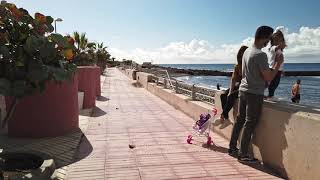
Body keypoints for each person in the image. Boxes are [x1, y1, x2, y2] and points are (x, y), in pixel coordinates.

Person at [228, 26, 284, 163]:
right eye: (269, 38)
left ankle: (232, 148)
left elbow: (247, 72)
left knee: (240, 119)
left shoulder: (247, 51)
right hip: (254, 93)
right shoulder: (260, 55)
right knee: (250, 122)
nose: (269, 42)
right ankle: (243, 154)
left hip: (243, 90)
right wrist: (278, 64)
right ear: (264, 37)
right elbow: (269, 77)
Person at [214, 46, 248, 129]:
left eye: (244, 54)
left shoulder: (249, 65)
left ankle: (222, 117)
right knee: (223, 95)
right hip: (238, 85)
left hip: (245, 86)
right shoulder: (237, 66)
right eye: (241, 55)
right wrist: (229, 91)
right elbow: (233, 80)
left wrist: (231, 92)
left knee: (232, 96)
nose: (242, 56)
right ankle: (226, 119)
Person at [267, 30, 286, 99]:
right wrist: (280, 45)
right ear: (272, 41)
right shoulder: (273, 48)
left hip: (278, 70)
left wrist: (282, 70)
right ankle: (270, 95)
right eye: (276, 40)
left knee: (276, 83)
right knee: (272, 83)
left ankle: (271, 95)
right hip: (272, 68)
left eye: (280, 40)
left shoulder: (280, 50)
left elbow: (281, 62)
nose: (278, 42)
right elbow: (276, 47)